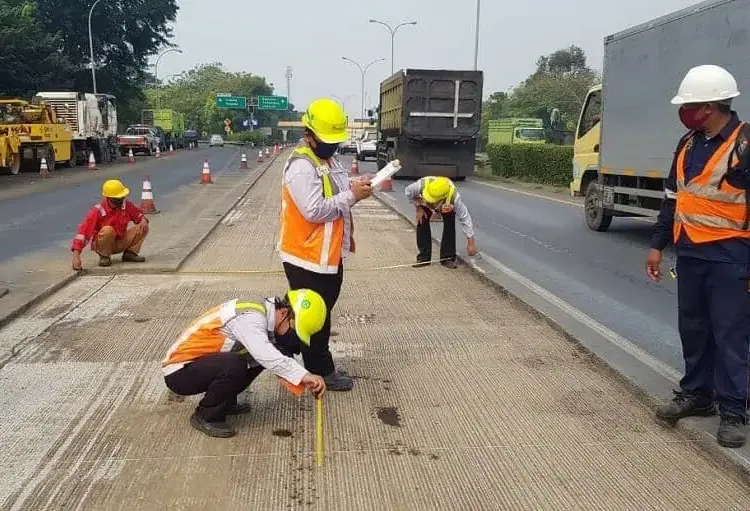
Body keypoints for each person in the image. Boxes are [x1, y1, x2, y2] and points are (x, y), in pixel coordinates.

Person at [646, 64, 749, 448]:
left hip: (732, 257)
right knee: (694, 329)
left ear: (709, 106)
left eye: (690, 105)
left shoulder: (744, 143)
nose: (685, 112)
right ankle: (697, 396)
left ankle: (734, 411)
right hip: (689, 253)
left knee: (731, 335)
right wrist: (658, 244)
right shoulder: (688, 143)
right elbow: (674, 198)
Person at [278, 98, 372, 392]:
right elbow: (314, 211)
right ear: (309, 134)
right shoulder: (302, 167)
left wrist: (358, 185)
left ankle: (287, 356)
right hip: (306, 256)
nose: (332, 146)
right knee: (313, 316)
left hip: (326, 255)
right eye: (327, 140)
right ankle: (318, 369)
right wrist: (353, 196)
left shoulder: (328, 160)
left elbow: (340, 189)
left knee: (317, 313)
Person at [162, 289, 328, 438]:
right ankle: (206, 415)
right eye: (294, 329)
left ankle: (225, 402)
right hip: (180, 372)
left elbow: (276, 356)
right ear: (284, 312)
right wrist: (305, 375)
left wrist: (300, 379)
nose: (293, 335)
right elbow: (265, 354)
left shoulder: (264, 314)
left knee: (257, 357)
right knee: (236, 363)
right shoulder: (251, 318)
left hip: (200, 366)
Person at [70, 179, 148, 270]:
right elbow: (83, 232)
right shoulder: (98, 210)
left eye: (122, 196)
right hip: (103, 245)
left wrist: (143, 219)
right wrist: (76, 255)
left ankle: (130, 253)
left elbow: (137, 215)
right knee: (108, 230)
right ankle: (104, 256)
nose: (122, 199)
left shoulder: (126, 205)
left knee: (143, 226)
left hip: (119, 241)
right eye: (118, 198)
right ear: (110, 198)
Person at [404, 176, 478, 268]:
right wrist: (418, 208)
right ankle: (423, 258)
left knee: (450, 223)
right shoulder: (418, 187)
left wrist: (471, 243)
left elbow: (465, 218)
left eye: (434, 202)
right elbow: (407, 192)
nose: (432, 204)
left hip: (446, 206)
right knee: (421, 219)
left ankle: (447, 258)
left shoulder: (454, 198)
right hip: (423, 202)